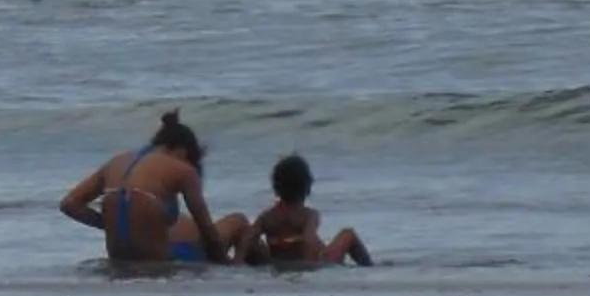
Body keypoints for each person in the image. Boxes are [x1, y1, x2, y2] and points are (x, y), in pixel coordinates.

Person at [60, 109, 234, 265]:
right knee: (238, 222)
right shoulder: (183, 169)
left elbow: (69, 204)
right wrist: (223, 265)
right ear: (183, 151)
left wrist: (110, 223)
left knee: (183, 226)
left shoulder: (117, 161)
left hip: (118, 259)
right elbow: (207, 229)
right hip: (156, 261)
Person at [233, 153, 373, 267]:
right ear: (307, 187)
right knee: (348, 234)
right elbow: (309, 240)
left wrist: (238, 261)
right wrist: (312, 265)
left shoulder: (267, 217)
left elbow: (248, 237)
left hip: (277, 261)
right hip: (309, 261)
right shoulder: (308, 215)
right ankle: (369, 266)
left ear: (276, 188)